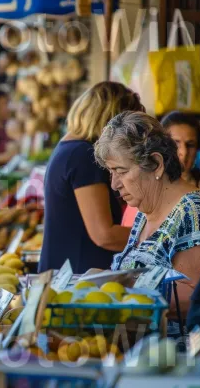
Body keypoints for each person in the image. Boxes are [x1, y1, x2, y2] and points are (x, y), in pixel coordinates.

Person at [94, 111, 200, 321]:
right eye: (111, 172)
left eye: (121, 170)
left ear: (156, 164)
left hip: (169, 351)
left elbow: (197, 299)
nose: (114, 184)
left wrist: (116, 289)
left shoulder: (193, 211)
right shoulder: (145, 210)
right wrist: (103, 279)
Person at [39, 82, 144, 274]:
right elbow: (105, 235)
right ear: (113, 121)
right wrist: (158, 238)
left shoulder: (67, 148)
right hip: (78, 280)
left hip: (67, 274)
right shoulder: (83, 155)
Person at [122, 111, 200, 227]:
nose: (183, 152)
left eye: (190, 145)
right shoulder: (144, 188)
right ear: (162, 146)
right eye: (176, 143)